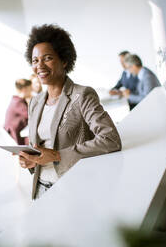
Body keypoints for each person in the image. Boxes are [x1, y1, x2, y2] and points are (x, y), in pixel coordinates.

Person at [17, 24, 122, 200]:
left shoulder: (82, 95)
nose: (40, 65)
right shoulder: (35, 102)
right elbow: (42, 147)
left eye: (47, 58)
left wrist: (57, 156)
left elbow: (110, 140)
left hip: (75, 188)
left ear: (64, 60)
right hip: (41, 189)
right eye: (35, 60)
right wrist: (31, 162)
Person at [3, 79, 32, 145]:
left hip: (16, 135)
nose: (31, 92)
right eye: (30, 89)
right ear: (25, 89)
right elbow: (32, 116)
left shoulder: (16, 100)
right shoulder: (18, 102)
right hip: (15, 138)